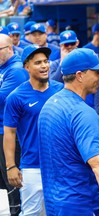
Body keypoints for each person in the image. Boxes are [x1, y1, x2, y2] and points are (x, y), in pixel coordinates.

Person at [38, 48, 99, 216]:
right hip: (78, 204)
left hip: (54, 202)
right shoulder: (83, 113)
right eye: (96, 72)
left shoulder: (50, 105)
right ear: (80, 75)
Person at [3, 44, 63, 215]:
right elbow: (9, 133)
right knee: (30, 213)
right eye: (38, 63)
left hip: (60, 164)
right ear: (27, 67)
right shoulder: (16, 97)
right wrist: (11, 167)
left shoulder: (61, 90)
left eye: (46, 61)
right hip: (31, 167)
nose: (44, 66)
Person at [0, 33, 29, 216]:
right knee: (4, 181)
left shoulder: (16, 69)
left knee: (12, 180)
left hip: (10, 133)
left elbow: (2, 99)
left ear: (9, 49)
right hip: (3, 131)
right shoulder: (3, 67)